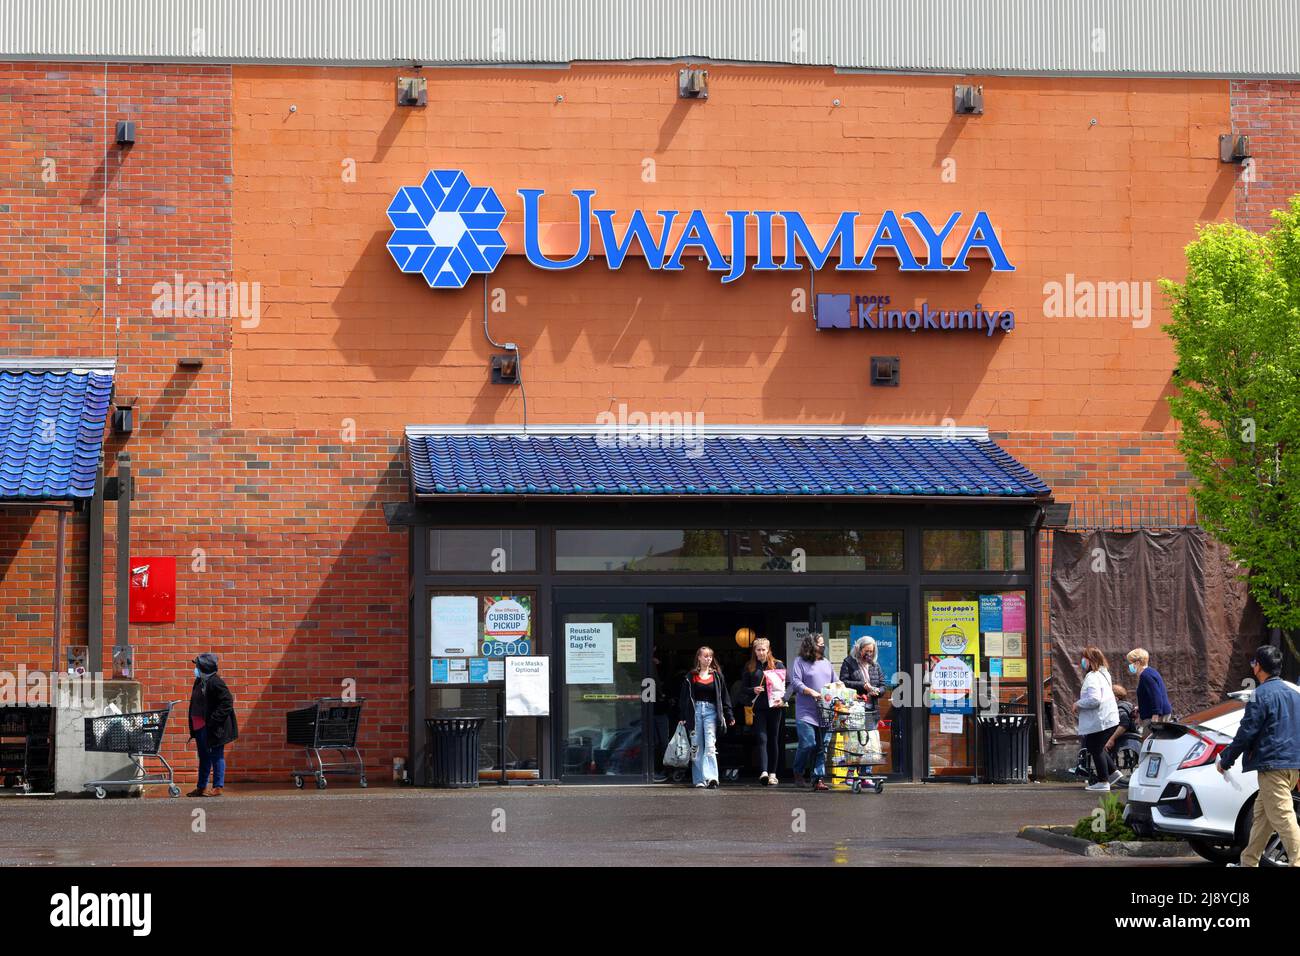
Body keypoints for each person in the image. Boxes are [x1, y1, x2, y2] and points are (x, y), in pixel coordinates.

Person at [1216, 645, 1300, 867]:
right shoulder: (1294, 695)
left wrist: (1226, 760)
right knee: (1262, 819)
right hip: (1291, 766)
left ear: (1258, 667)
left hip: (1272, 767)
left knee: (1283, 818)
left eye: (1254, 663)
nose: (1253, 667)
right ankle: (1248, 862)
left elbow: (1246, 732)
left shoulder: (1259, 694)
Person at [677, 645, 734, 788]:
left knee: (710, 745)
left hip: (711, 712)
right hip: (694, 712)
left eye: (710, 656)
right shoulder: (691, 676)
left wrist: (729, 715)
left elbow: (724, 697)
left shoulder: (717, 676)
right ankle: (699, 780)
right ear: (699, 658)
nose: (708, 659)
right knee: (696, 746)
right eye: (705, 656)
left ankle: (712, 778)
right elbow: (684, 698)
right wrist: (683, 716)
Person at [735, 637, 787, 786]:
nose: (761, 653)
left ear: (768, 650)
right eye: (758, 650)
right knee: (762, 739)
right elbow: (742, 688)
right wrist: (753, 689)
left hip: (775, 707)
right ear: (754, 651)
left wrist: (783, 698)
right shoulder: (750, 666)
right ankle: (763, 772)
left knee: (774, 739)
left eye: (764, 649)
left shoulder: (777, 664)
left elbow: (787, 684)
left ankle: (773, 773)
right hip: (758, 708)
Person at [187, 652, 238, 797]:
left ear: (204, 668)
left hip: (213, 727)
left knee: (216, 755)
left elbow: (227, 702)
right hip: (199, 726)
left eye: (197, 666)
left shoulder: (216, 682)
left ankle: (217, 787)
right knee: (204, 757)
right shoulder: (199, 681)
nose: (195, 668)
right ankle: (201, 786)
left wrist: (213, 720)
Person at [789, 632, 834, 791]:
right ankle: (798, 771)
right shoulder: (799, 662)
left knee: (822, 746)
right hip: (806, 712)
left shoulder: (827, 663)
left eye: (823, 644)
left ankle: (818, 779)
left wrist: (841, 687)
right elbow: (795, 682)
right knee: (808, 743)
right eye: (820, 643)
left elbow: (835, 682)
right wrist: (810, 691)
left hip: (825, 712)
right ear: (811, 645)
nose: (823, 646)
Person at [1073, 646, 1121, 792]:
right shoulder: (1104, 674)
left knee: (1094, 747)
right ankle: (1113, 773)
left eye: (1084, 658)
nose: (1082, 661)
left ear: (1090, 660)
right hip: (1108, 717)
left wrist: (1078, 704)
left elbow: (1095, 699)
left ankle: (1103, 781)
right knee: (1096, 746)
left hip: (1101, 719)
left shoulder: (1092, 677)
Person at [1126, 648, 1173, 728]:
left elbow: (1156, 695)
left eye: (1131, 663)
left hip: (1156, 716)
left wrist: (1156, 714)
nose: (1130, 666)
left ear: (1137, 663)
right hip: (1160, 712)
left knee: (1150, 739)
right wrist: (1140, 708)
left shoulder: (1145, 675)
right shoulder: (1150, 671)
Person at [1104, 684, 1138, 781]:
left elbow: (1124, 725)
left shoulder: (1120, 709)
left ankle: (1110, 773)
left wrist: (1111, 739)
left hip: (1122, 735)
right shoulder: (1127, 705)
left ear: (1116, 698)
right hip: (1124, 733)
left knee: (1100, 745)